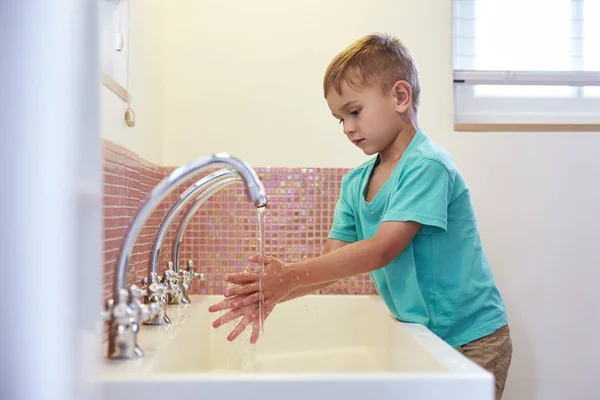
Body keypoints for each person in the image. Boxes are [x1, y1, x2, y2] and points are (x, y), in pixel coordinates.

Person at [208, 33, 512, 399]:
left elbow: (382, 249)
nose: (348, 128)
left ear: (400, 97)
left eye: (354, 111)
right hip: (423, 335)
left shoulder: (427, 165)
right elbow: (331, 263)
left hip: (471, 338)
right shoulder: (355, 183)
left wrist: (287, 277)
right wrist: (273, 293)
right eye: (340, 119)